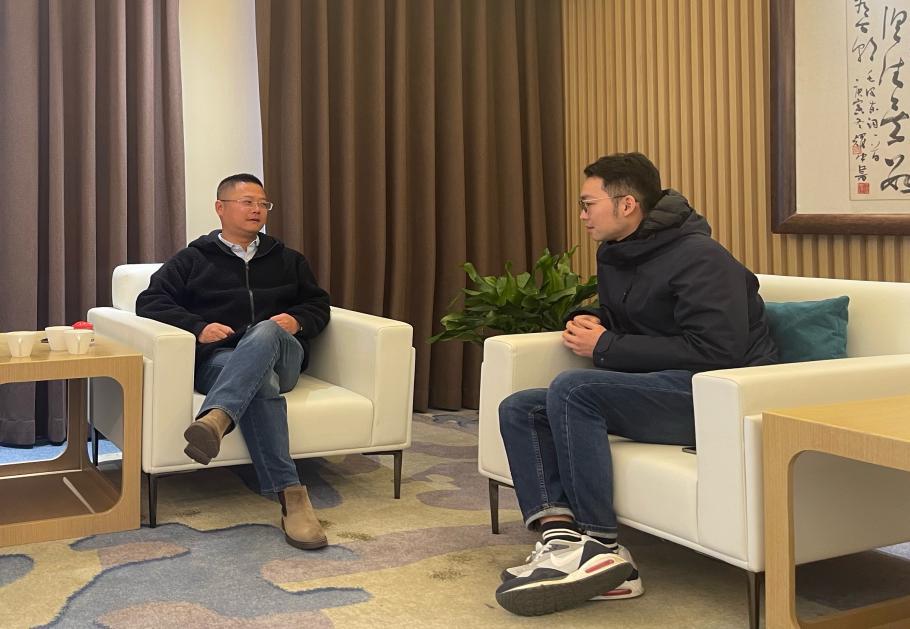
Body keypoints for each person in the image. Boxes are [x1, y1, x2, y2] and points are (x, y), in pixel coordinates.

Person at [494, 153, 778, 616]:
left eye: (588, 204)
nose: (583, 215)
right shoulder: (618, 252)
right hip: (658, 383)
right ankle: (562, 540)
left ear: (627, 204)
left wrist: (606, 346)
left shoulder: (702, 259)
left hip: (717, 395)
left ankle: (602, 547)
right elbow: (634, 316)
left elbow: (717, 351)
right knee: (521, 407)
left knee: (574, 389)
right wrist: (591, 320)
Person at [136, 173, 331, 551]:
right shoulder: (192, 259)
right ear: (220, 208)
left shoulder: (288, 260)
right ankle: (292, 496)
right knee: (261, 383)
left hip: (283, 357)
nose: (257, 209)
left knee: (266, 331)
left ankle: (217, 418)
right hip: (221, 359)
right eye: (247, 202)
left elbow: (318, 305)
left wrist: (297, 321)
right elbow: (150, 301)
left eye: (263, 203)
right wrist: (198, 327)